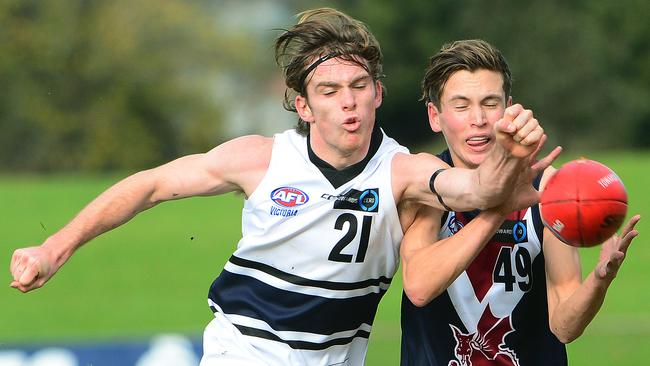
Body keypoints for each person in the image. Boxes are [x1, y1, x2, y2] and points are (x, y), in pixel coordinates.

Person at [10, 10, 551, 366]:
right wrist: (54, 247)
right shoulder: (261, 159)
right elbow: (150, 185)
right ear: (302, 104)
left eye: (360, 87)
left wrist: (512, 153)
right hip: (242, 352)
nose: (348, 102)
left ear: (379, 94)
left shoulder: (403, 172)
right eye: (330, 90)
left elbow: (476, 189)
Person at [399, 39, 641, 366]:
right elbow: (419, 287)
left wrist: (599, 280)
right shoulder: (426, 184)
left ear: (508, 108)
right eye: (461, 105)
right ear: (434, 115)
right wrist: (499, 211)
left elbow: (564, 327)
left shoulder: (550, 187)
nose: (478, 119)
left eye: (490, 103)